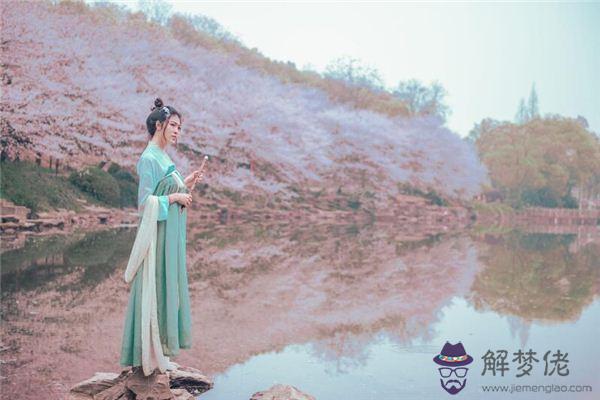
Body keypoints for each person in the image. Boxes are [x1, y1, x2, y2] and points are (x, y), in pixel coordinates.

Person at [119, 97, 205, 376]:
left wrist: (186, 182)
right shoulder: (149, 158)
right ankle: (149, 355)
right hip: (157, 239)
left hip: (169, 237)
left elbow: (164, 188)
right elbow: (146, 204)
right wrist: (176, 197)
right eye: (174, 125)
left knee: (166, 288)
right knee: (155, 287)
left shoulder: (164, 156)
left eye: (180, 127)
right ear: (159, 125)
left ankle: (160, 353)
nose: (178, 131)